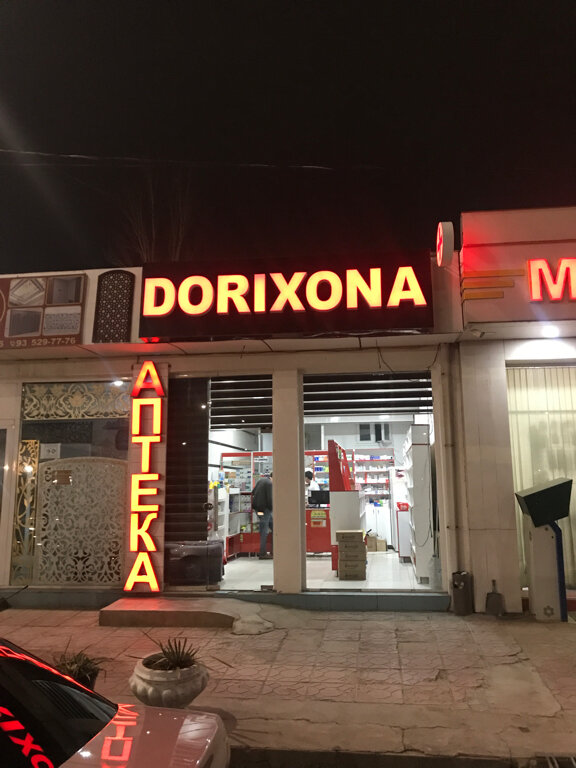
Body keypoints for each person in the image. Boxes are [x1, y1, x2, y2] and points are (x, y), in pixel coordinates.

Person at [251, 472, 273, 559]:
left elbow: (253, 492)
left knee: (273, 527)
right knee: (264, 531)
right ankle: (262, 553)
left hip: (258, 509)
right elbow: (270, 499)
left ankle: (273, 551)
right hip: (265, 510)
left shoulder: (261, 480)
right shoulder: (270, 484)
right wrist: (272, 508)